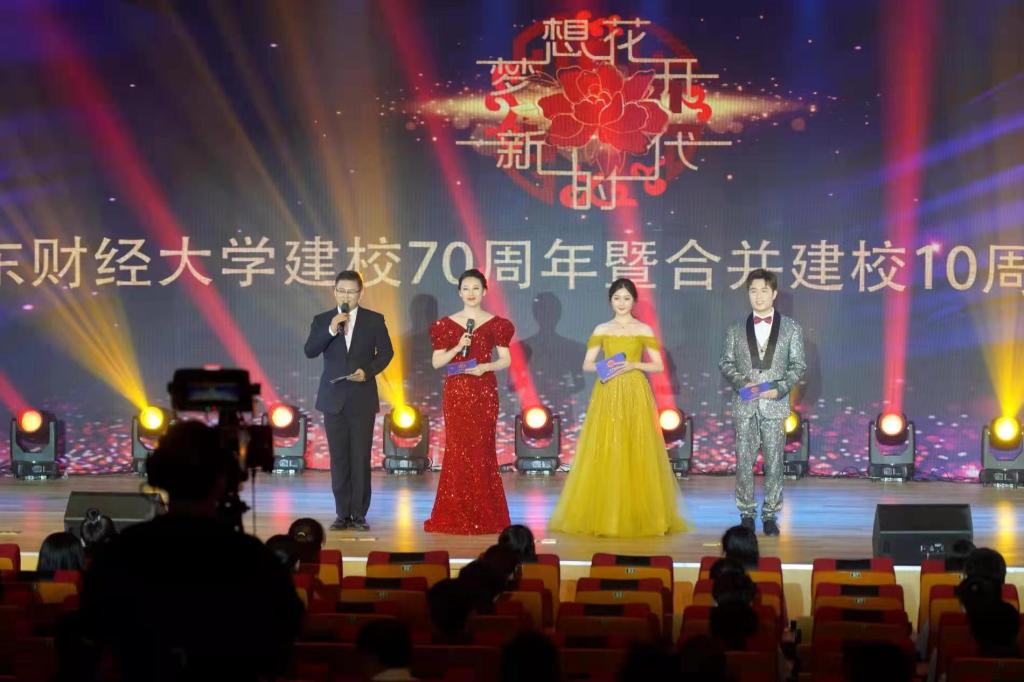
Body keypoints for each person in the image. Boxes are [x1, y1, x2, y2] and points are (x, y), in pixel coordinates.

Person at [75, 421, 303, 681]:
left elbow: (91, 631)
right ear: (223, 479)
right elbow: (284, 636)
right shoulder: (252, 557)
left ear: (157, 475)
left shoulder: (119, 552)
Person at [549, 278, 687, 537]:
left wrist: (633, 365)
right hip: (608, 391)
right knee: (608, 445)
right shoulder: (602, 328)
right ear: (610, 300)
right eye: (617, 298)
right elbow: (586, 365)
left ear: (634, 301)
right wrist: (608, 366)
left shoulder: (644, 330)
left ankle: (642, 513)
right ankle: (607, 514)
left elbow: (658, 365)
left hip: (635, 391)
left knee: (637, 447)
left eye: (626, 298)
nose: (621, 303)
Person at [425, 269, 514, 534]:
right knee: (457, 450)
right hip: (456, 393)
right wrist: (456, 347)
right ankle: (455, 511)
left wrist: (485, 367)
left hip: (483, 391)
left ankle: (485, 512)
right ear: (459, 292)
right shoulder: (446, 325)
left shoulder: (496, 324)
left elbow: (506, 360)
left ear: (484, 291)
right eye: (466, 288)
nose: (471, 293)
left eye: (476, 288)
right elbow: (437, 362)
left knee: (482, 450)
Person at [305, 270, 394, 532]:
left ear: (360, 293)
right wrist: (331, 329)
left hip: (361, 398)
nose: (346, 296)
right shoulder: (323, 320)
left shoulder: (374, 320)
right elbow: (310, 350)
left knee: (360, 457)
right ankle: (341, 514)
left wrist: (367, 371)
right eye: (341, 291)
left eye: (351, 291)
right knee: (339, 459)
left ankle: (359, 514)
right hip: (333, 399)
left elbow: (386, 353)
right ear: (334, 292)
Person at [719, 268, 806, 536]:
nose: (758, 296)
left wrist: (779, 389)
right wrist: (741, 383)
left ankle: (770, 515)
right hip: (745, 404)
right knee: (744, 462)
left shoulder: (791, 328)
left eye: (764, 291)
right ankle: (746, 514)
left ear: (774, 293)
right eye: (753, 291)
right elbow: (726, 362)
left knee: (774, 462)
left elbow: (798, 365)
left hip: (774, 405)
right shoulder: (736, 328)